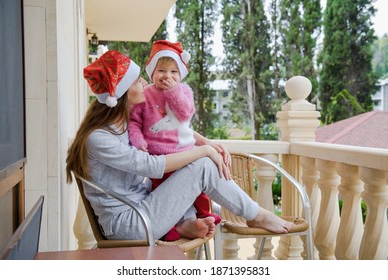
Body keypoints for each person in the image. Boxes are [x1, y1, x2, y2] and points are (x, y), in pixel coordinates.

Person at [66, 50, 294, 243]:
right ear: (124, 92)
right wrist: (204, 151)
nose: (145, 83)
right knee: (203, 165)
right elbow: (153, 166)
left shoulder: (122, 125)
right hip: (129, 223)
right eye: (137, 81)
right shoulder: (99, 138)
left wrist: (206, 142)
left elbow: (164, 127)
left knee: (200, 161)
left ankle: (181, 224)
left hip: (144, 206)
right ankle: (255, 214)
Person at [128, 40, 220, 241]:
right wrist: (137, 140)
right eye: (161, 70)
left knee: (194, 191)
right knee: (166, 195)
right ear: (152, 72)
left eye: (174, 72)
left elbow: (185, 114)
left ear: (181, 75)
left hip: (183, 152)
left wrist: (173, 92)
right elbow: (134, 122)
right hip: (159, 158)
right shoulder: (144, 94)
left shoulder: (183, 91)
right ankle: (174, 225)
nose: (167, 76)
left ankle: (200, 215)